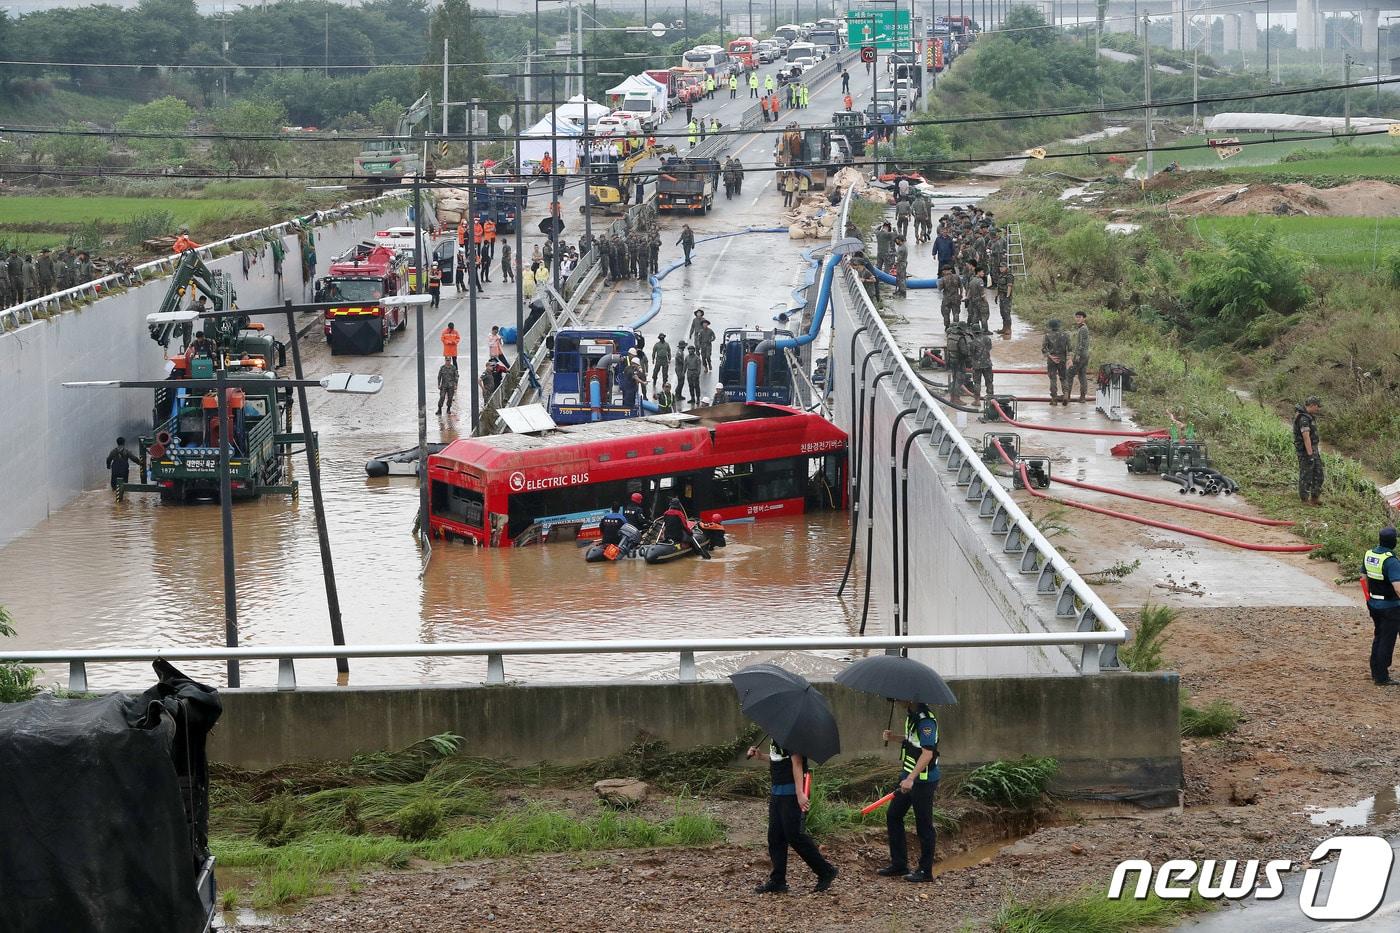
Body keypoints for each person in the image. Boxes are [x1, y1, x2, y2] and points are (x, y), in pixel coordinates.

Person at [747, 736, 838, 895]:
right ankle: (778, 881)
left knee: (794, 835)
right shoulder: (776, 737)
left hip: (791, 792)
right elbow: (779, 760)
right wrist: (761, 756)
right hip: (777, 791)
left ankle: (826, 871)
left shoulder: (791, 737)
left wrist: (800, 793)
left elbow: (797, 763)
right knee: (775, 837)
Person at [878, 699, 940, 884]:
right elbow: (912, 741)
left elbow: (927, 753)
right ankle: (899, 864)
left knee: (924, 825)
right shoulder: (911, 716)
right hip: (908, 777)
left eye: (898, 697)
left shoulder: (925, 720)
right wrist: (893, 737)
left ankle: (925, 871)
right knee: (893, 815)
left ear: (911, 697)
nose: (895, 700)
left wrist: (910, 779)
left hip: (922, 781)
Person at [1364, 527, 1400, 686]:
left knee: (1379, 636)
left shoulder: (1369, 554)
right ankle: (1382, 677)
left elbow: (1363, 577)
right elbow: (1398, 587)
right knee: (1387, 640)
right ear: (1394, 542)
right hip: (1390, 606)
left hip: (1374, 603)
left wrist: (1370, 598)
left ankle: (1375, 670)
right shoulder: (1391, 561)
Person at [1294, 396, 1323, 505]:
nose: (1318, 409)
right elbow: (1306, 438)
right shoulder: (1303, 419)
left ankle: (1315, 497)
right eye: (1317, 407)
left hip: (1314, 450)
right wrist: (1310, 455)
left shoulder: (1309, 416)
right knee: (1306, 475)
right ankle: (1305, 499)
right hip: (1306, 452)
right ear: (1312, 405)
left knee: (1319, 474)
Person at [1041, 319, 1070, 405]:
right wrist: (1069, 358)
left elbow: (1043, 349)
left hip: (1051, 360)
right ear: (1059, 326)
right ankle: (1065, 395)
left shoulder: (1047, 335)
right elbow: (1070, 348)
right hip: (1062, 359)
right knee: (1063, 378)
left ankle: (1054, 399)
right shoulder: (1065, 335)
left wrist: (1050, 356)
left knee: (1053, 379)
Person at [1068, 310, 1090, 402]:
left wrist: (1075, 357)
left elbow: (1081, 344)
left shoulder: (1083, 329)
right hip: (1085, 356)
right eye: (1076, 317)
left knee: (1069, 374)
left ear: (1084, 318)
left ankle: (1067, 396)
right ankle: (1082, 397)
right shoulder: (1082, 328)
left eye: (1080, 317)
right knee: (1082, 375)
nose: (1078, 319)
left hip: (1080, 356)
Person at [970, 326, 994, 401]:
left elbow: (971, 353)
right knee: (989, 382)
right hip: (987, 363)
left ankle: (977, 400)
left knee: (977, 382)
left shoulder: (973, 342)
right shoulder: (987, 339)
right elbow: (989, 348)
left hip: (977, 365)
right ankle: (990, 399)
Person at [993, 262, 1013, 335]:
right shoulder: (1001, 276)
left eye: (1002, 267)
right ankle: (1004, 328)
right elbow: (999, 287)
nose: (1001, 268)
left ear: (1006, 267)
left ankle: (1008, 329)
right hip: (1001, 297)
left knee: (1007, 313)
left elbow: (1009, 287)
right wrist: (996, 296)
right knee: (1002, 313)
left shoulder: (1009, 276)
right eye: (1000, 267)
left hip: (1006, 297)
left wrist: (1007, 296)